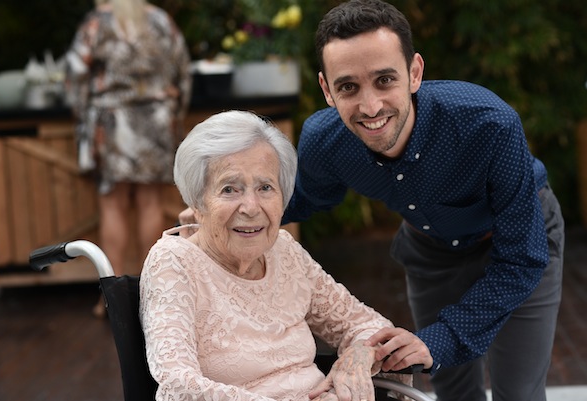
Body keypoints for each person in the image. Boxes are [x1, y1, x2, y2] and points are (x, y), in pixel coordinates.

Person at [276, 1, 564, 400]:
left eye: (384, 80)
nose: (370, 106)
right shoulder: (324, 141)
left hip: (517, 243)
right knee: (451, 389)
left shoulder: (489, 124)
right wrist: (219, 217)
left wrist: (440, 339)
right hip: (430, 252)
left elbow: (523, 257)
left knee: (518, 391)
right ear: (327, 90)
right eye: (348, 87)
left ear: (414, 73)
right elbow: (304, 199)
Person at [140, 110, 433, 401]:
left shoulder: (283, 250)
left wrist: (357, 355)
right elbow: (178, 384)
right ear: (197, 200)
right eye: (230, 189)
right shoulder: (173, 261)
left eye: (266, 187)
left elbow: (365, 325)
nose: (251, 207)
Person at [65, 0, 192, 318]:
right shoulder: (161, 21)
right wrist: (173, 113)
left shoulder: (97, 23)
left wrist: (85, 115)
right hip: (156, 123)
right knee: (151, 204)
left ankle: (109, 298)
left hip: (112, 124)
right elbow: (184, 74)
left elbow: (75, 75)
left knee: (113, 206)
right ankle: (152, 295)